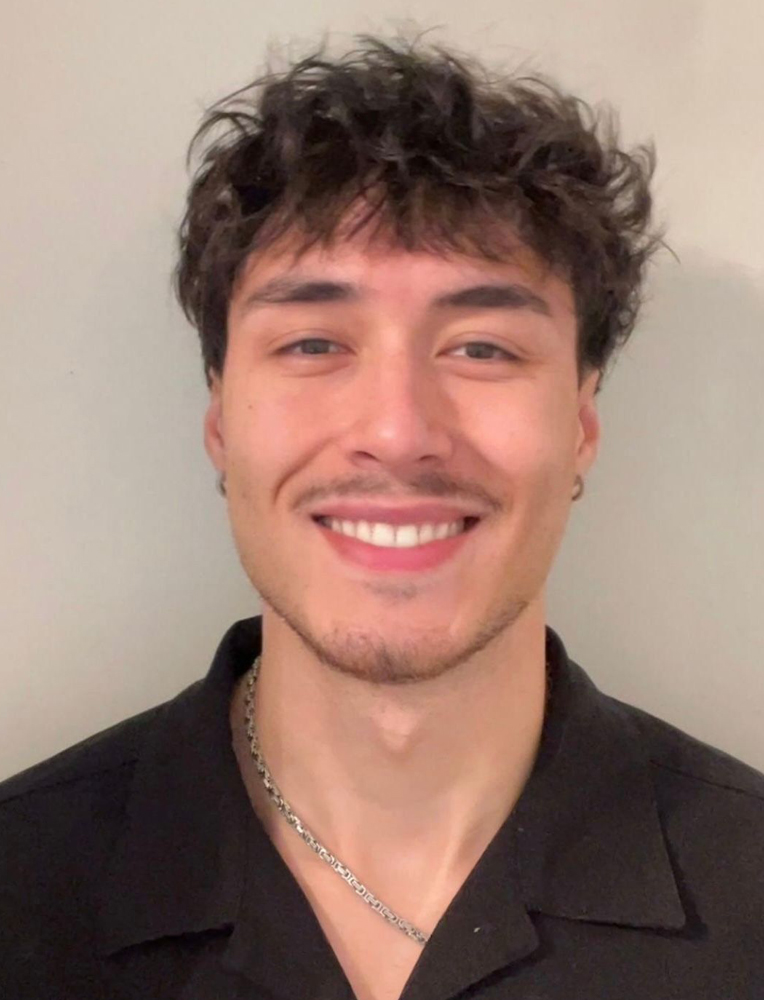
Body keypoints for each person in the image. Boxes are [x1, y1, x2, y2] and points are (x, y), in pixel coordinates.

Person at [1, 30, 762, 1000]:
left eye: (482, 348)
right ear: (220, 422)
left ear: (579, 425)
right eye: (314, 343)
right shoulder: (21, 889)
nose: (398, 433)